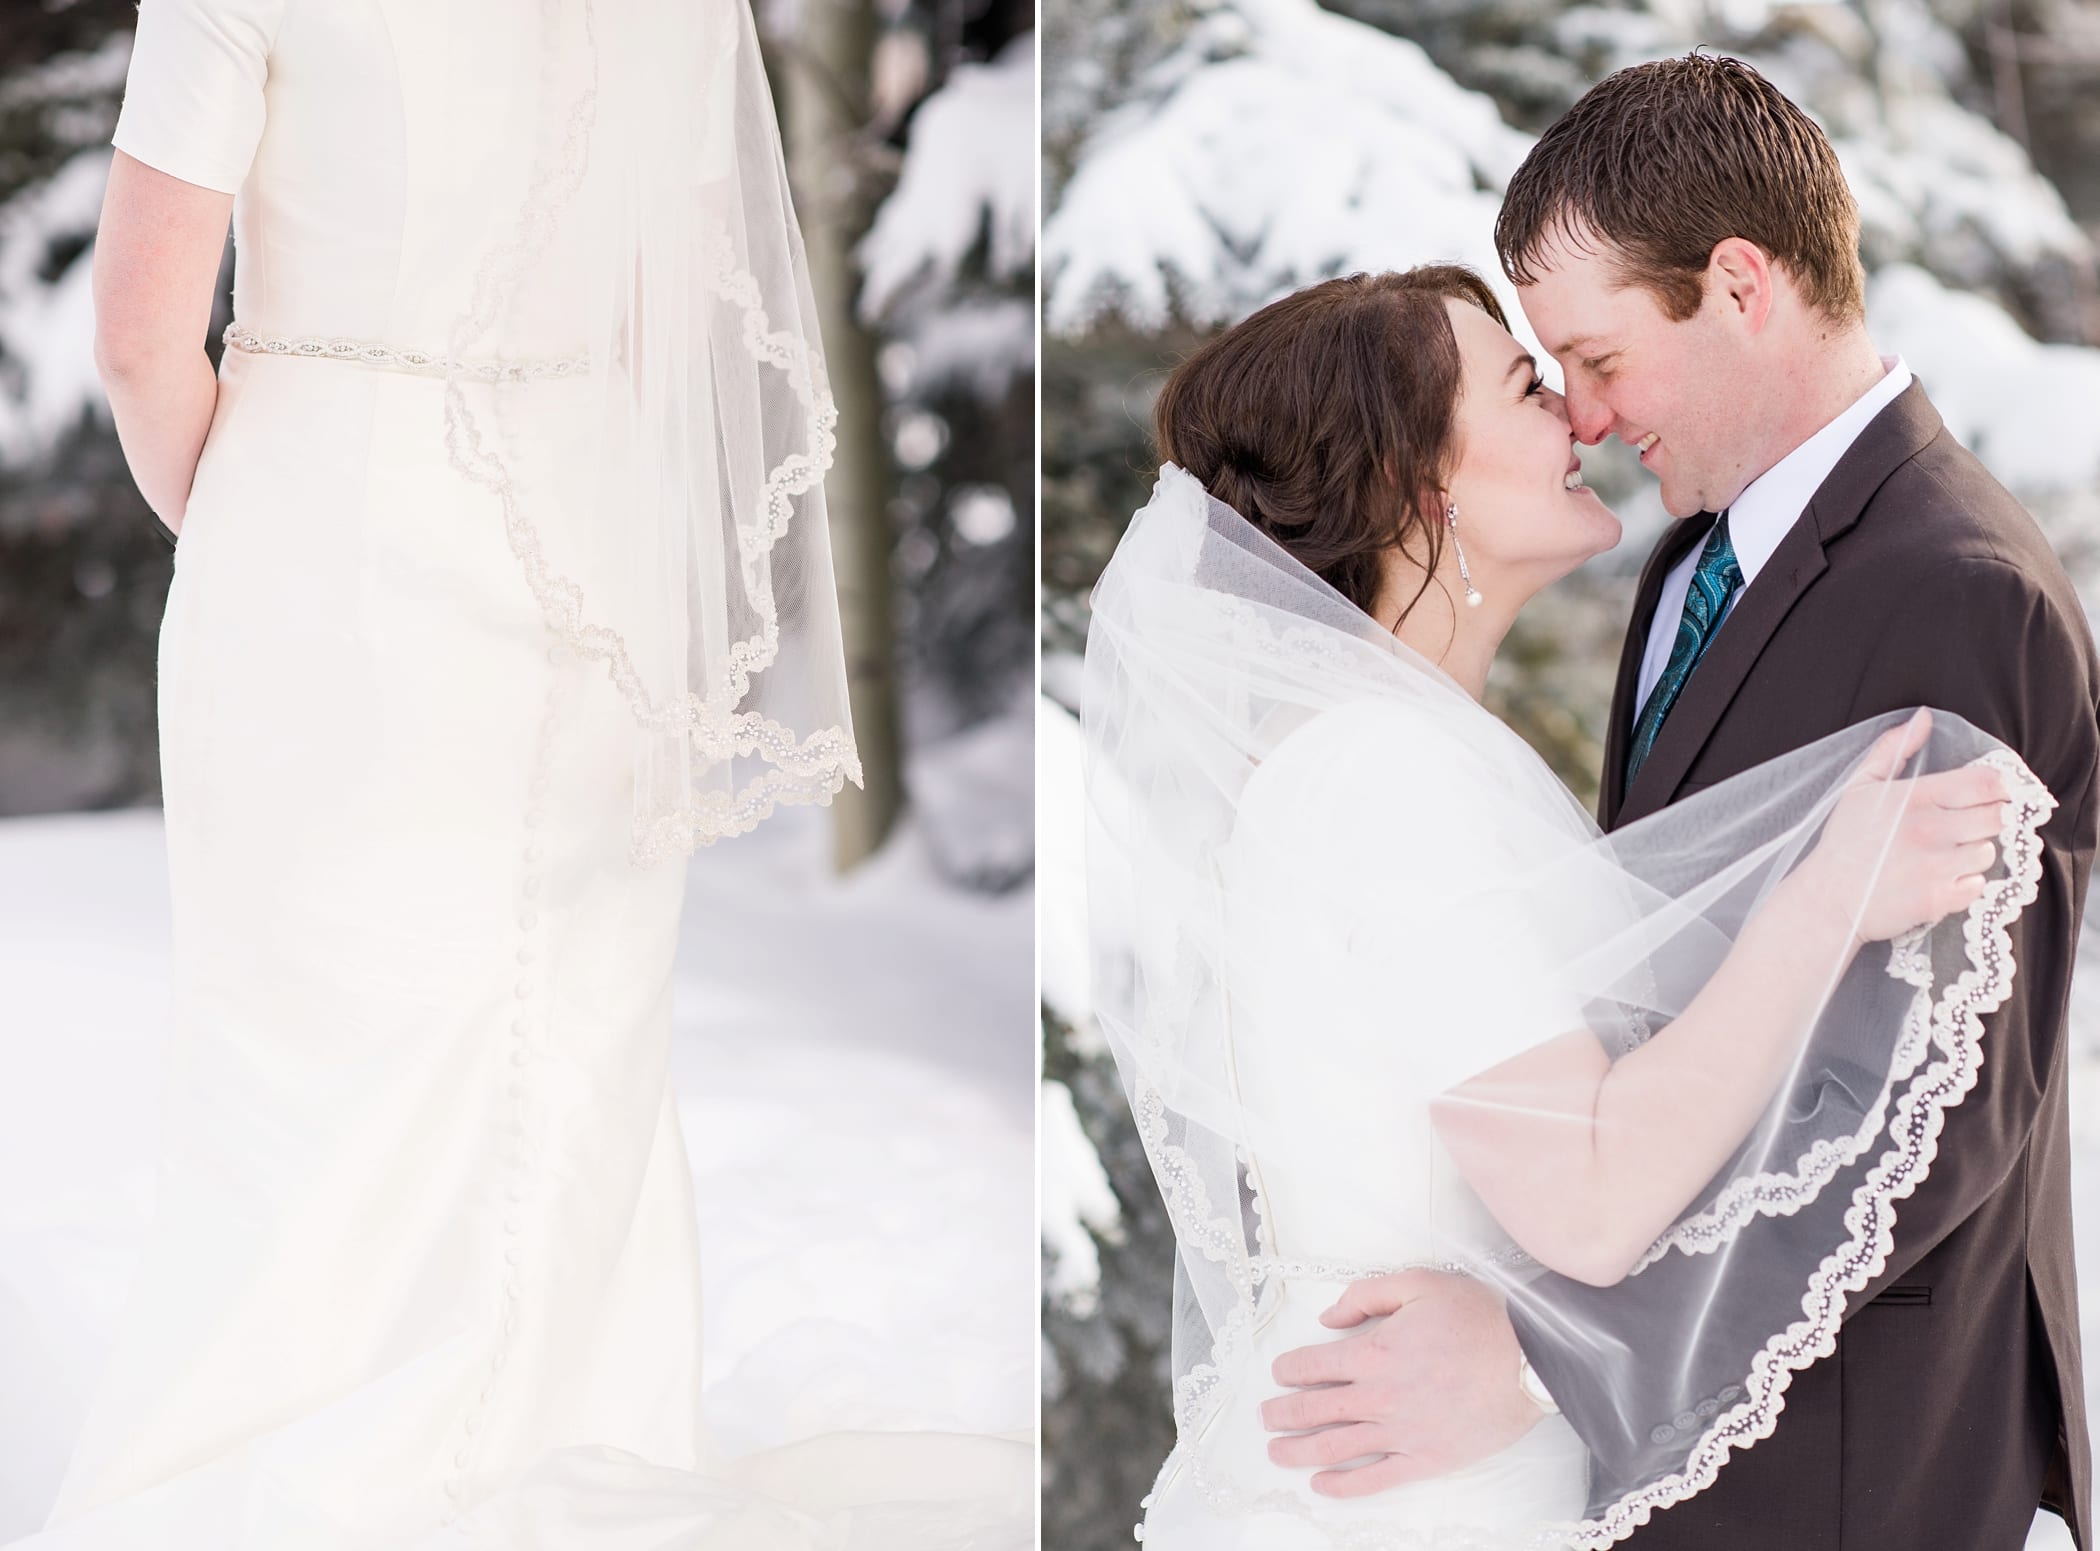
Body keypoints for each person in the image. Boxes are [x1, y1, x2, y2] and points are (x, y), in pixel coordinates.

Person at [19, 0, 1027, 1545]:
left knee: (309, 1024)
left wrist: (244, 524)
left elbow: (144, 337)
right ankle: (568, 1433)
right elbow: (677, 295)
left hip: (329, 500)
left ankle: (309, 1458)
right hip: (590, 521)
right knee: (565, 1010)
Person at [1259, 55, 2099, 1551]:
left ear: (1737, 283)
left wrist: (1548, 1354)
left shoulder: (1957, 594)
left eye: (1596, 355)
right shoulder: (1687, 563)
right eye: (1546, 374)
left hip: (1852, 1464)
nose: (1580, 412)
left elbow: (1949, 1104)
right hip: (1674, 1454)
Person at [1083, 261, 2054, 1549]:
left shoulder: (1379, 748)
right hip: (1418, 1495)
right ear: (1417, 483)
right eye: (1527, 387)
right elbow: (1588, 1196)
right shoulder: (1381, 774)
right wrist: (1825, 902)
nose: (1578, 419)